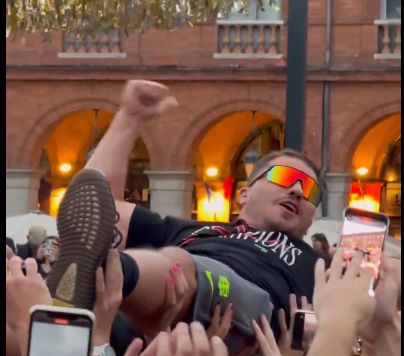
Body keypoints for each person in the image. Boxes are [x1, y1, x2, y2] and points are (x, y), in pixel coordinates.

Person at [46, 80, 323, 353]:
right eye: (285, 177)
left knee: (180, 266)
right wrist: (128, 119)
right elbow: (102, 209)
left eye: (309, 190)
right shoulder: (196, 230)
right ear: (244, 194)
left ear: (311, 218)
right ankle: (93, 281)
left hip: (249, 308)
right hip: (141, 323)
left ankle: (103, 274)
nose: (297, 190)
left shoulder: (318, 266)